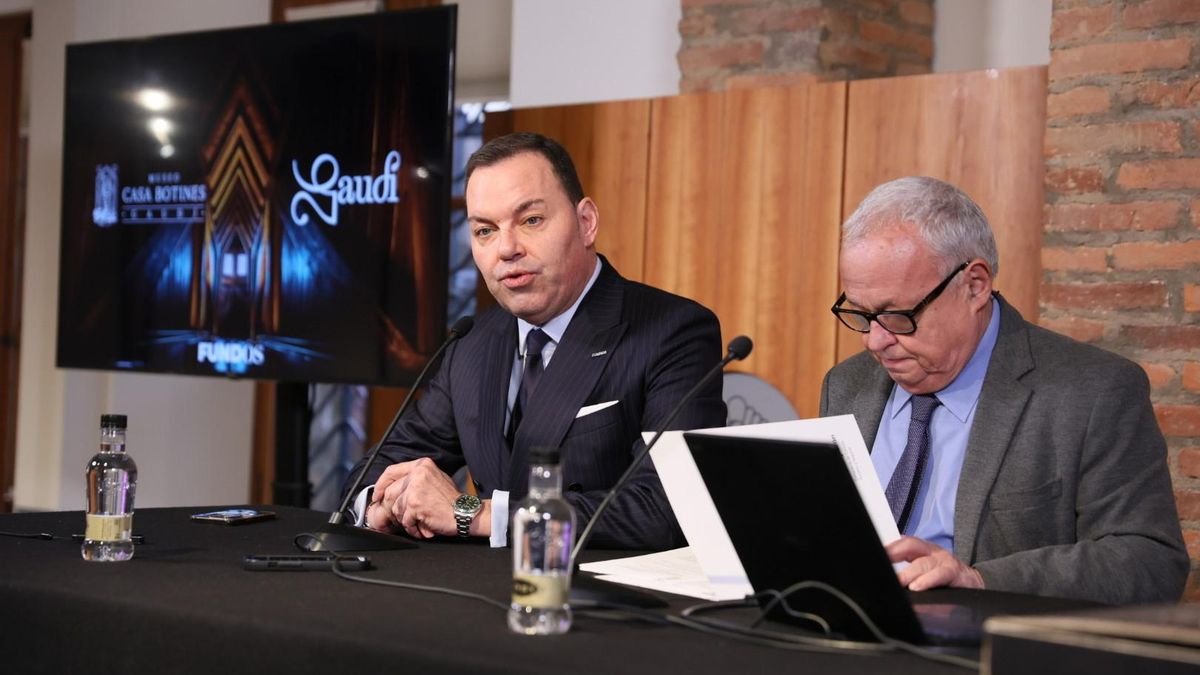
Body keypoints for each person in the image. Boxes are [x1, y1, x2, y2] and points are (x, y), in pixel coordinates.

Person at [345, 132, 725, 550]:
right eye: (485, 230)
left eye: (531, 221)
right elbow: (377, 468)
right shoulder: (472, 342)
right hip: (471, 595)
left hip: (593, 600)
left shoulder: (674, 330)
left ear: (586, 223)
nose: (506, 249)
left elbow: (665, 509)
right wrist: (380, 503)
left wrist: (475, 513)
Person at [820, 176, 1188, 605]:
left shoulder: (1093, 392)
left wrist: (980, 580)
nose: (874, 341)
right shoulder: (847, 385)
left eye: (898, 315)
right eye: (860, 314)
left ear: (974, 285)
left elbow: (1149, 561)